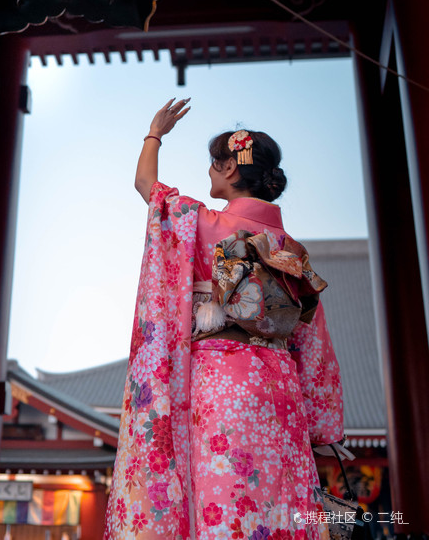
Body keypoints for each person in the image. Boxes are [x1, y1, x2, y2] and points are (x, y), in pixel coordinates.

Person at [104, 99, 345, 540]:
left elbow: (146, 184)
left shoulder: (202, 222)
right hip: (280, 388)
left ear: (232, 168)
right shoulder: (291, 248)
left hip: (220, 380)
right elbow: (313, 339)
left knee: (225, 493)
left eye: (216, 163)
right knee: (278, 498)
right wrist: (321, 423)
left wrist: (154, 133)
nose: (211, 172)